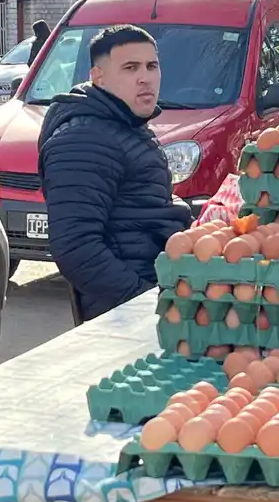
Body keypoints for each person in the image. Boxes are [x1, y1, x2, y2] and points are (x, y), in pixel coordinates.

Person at [39, 24, 191, 320]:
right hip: (124, 315)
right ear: (99, 77)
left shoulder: (124, 124)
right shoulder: (83, 139)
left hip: (155, 290)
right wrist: (143, 303)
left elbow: (141, 208)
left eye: (151, 66)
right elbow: (75, 248)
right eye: (130, 68)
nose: (144, 78)